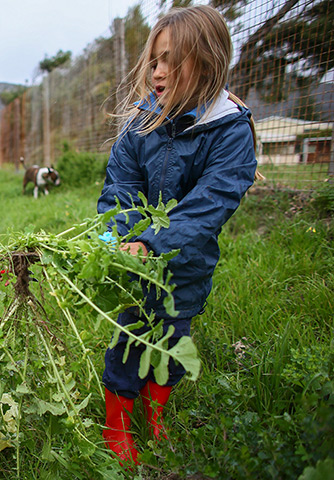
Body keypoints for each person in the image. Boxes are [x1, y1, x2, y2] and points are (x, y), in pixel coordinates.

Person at [96, 5, 257, 467]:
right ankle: (118, 424)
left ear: (206, 63)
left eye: (172, 60)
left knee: (172, 340)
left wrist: (154, 243)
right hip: (134, 263)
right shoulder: (139, 122)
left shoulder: (229, 130)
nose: (158, 72)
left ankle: (156, 411)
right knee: (130, 338)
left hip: (186, 265)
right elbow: (121, 188)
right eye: (155, 60)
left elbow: (210, 204)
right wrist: (121, 234)